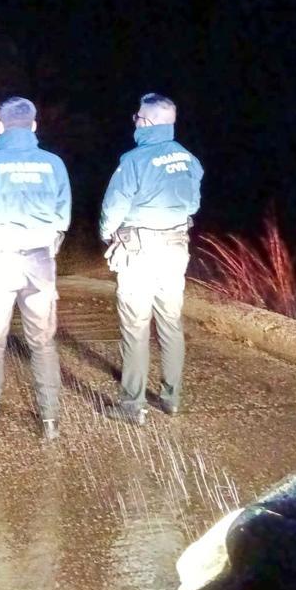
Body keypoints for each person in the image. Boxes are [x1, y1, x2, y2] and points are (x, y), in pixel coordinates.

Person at [0, 97, 71, 443]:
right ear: (34, 126)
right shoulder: (55, 164)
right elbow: (62, 217)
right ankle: (50, 422)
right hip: (40, 261)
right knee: (43, 342)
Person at [99, 92, 204, 425]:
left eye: (139, 119)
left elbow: (113, 208)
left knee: (135, 326)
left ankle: (133, 405)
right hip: (175, 249)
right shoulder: (190, 159)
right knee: (171, 324)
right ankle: (171, 398)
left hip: (139, 252)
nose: (136, 123)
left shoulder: (133, 161)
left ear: (151, 122)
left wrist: (107, 233)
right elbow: (193, 205)